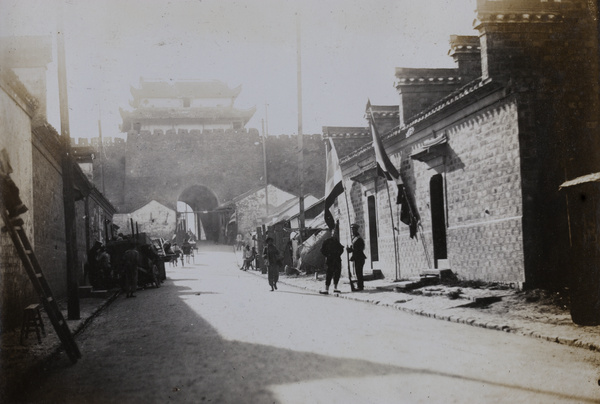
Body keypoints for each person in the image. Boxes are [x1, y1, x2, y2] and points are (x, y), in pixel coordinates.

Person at [319, 229, 345, 294]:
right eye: (333, 233)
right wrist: (328, 255)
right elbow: (322, 250)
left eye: (336, 233)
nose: (334, 234)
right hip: (330, 260)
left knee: (337, 274)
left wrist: (338, 254)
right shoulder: (326, 241)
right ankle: (326, 289)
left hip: (337, 260)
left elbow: (341, 249)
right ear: (331, 233)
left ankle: (335, 288)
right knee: (329, 274)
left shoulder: (337, 242)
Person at [347, 223, 366, 291]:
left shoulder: (359, 239)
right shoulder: (354, 238)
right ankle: (359, 285)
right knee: (358, 272)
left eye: (353, 230)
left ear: (356, 230)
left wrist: (352, 250)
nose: (352, 231)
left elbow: (360, 248)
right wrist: (349, 249)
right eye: (351, 230)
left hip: (360, 257)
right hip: (356, 258)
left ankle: (360, 286)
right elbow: (353, 248)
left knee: (359, 272)